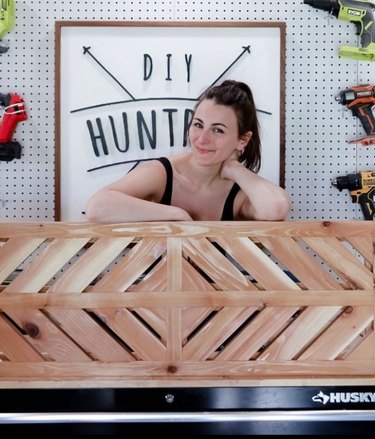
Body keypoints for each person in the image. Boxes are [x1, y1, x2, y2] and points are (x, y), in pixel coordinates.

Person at [85, 79, 291, 222]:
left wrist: (234, 168)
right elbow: (97, 207)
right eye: (198, 125)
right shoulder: (164, 173)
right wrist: (176, 215)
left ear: (242, 140)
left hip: (220, 284)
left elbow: (277, 207)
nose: (202, 139)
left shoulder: (239, 193)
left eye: (218, 130)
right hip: (152, 284)